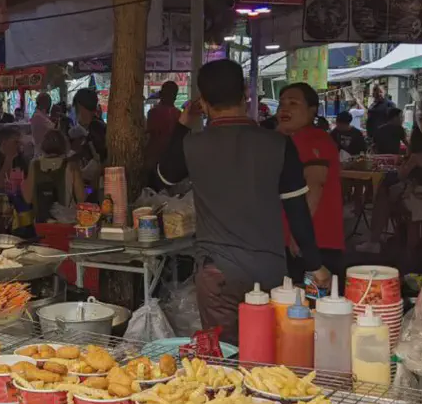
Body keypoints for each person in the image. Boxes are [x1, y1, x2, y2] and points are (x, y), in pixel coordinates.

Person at [157, 60, 329, 343]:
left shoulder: (193, 144)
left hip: (217, 275)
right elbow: (297, 211)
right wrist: (314, 265)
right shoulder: (278, 145)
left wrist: (183, 124)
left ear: (203, 101)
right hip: (270, 271)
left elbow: (165, 175)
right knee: (267, 351)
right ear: (246, 93)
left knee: (225, 356)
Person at [277, 83, 346, 283]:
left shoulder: (314, 139)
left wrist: (299, 235)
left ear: (312, 110)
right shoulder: (287, 140)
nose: (284, 109)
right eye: (281, 104)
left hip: (315, 241)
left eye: (293, 103)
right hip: (298, 239)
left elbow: (315, 185)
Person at [357, 121, 422, 254]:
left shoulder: (416, 156)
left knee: (383, 192)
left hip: (418, 195)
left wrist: (401, 166)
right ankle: (394, 236)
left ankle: (374, 239)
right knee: (388, 192)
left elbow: (402, 174)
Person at [21, 128, 81, 221]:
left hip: (41, 223)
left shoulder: (34, 165)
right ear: (65, 145)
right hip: (67, 222)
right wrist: (90, 190)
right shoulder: (72, 165)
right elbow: (81, 198)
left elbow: (28, 198)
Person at [144, 80, 180, 181]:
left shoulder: (153, 113)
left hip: (154, 160)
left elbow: (149, 135)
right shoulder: (178, 114)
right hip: (170, 161)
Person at [72, 88, 107, 164]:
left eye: (75, 108)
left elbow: (100, 159)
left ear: (80, 107)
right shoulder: (97, 126)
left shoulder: (95, 128)